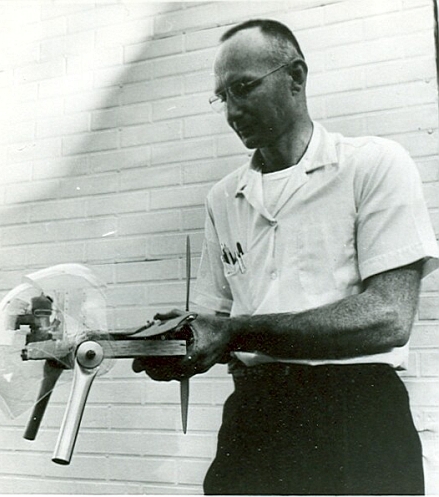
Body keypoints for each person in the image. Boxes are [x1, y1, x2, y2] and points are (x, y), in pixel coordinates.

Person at [133, 19, 439, 495]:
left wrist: (235, 331)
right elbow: (218, 324)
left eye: (244, 87)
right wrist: (178, 345)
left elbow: (388, 317)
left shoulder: (373, 165)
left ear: (295, 77)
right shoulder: (222, 198)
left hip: (356, 417)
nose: (232, 110)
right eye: (222, 96)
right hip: (256, 417)